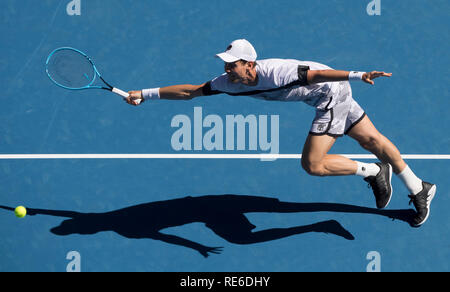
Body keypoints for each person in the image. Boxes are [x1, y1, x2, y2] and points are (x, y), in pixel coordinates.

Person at [126, 39, 436, 226]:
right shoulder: (226, 83)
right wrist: (144, 92)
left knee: (313, 164)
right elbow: (190, 92)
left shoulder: (278, 72)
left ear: (250, 64)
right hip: (320, 96)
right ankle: (417, 185)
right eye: (226, 65)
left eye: (233, 65)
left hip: (330, 92)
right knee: (373, 140)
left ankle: (370, 171)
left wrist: (358, 74)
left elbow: (317, 74)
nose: (228, 70)